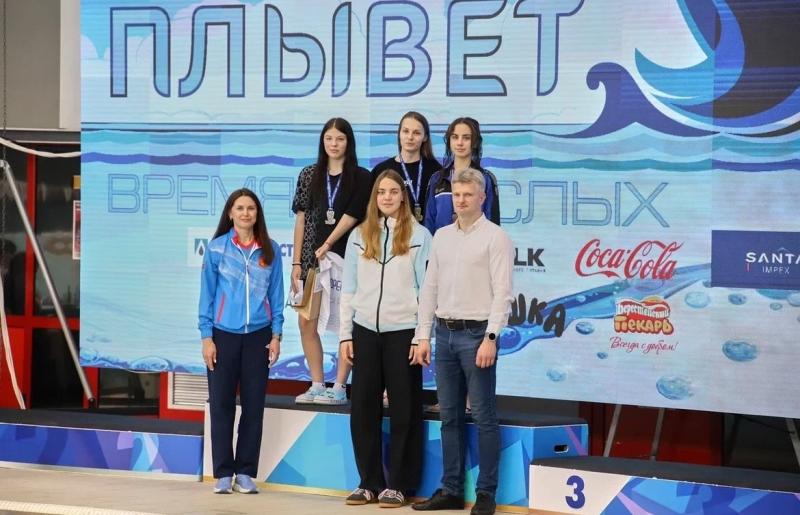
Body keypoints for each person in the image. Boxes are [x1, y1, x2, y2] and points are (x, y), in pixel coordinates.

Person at [411, 169, 513, 515]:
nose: (461, 200)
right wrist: (422, 335)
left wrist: (491, 337)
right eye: (456, 195)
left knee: (483, 416)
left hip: (477, 335)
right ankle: (451, 490)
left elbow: (503, 293)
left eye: (468, 194)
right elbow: (430, 289)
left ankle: (486, 493)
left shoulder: (496, 238)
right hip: (444, 334)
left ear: (482, 198)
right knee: (450, 417)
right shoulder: (440, 237)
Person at [339, 170, 432, 508]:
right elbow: (348, 289)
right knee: (363, 409)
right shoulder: (359, 235)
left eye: (393, 191)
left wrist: (422, 336)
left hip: (403, 332)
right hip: (364, 330)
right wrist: (345, 335)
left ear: (403, 196)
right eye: (381, 192)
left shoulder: (421, 236)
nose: (387, 197)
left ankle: (400, 485)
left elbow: (427, 291)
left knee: (405, 409)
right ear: (374, 197)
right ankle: (369, 482)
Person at [199, 188, 284, 494]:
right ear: (230, 213)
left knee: (253, 407)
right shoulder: (216, 249)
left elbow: (277, 295)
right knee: (221, 405)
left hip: (259, 336)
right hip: (223, 336)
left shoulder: (270, 250)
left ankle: (245, 472)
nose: (246, 213)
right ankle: (223, 473)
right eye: (240, 208)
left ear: (257, 214)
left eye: (251, 208)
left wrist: (276, 335)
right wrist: (206, 337)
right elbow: (207, 296)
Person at [291, 118, 372, 405]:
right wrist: (297, 263)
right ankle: (316, 383)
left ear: (349, 142)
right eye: (329, 138)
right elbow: (301, 219)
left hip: (347, 261)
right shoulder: (308, 174)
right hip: (312, 261)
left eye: (340, 138)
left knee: (345, 325)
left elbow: (352, 216)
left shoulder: (362, 176)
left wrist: (328, 243)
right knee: (306, 323)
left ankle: (338, 386)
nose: (334, 144)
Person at [424, 117, 500, 235]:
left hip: (476, 244)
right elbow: (429, 222)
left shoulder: (486, 179)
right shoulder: (437, 179)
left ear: (475, 142)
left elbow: (492, 222)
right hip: (443, 244)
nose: (459, 143)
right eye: (455, 137)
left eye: (466, 138)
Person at [371, 111, 441, 222]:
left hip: (425, 231)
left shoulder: (436, 170)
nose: (410, 137)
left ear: (425, 137)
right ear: (399, 134)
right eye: (405, 131)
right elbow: (372, 209)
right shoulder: (381, 170)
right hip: (389, 231)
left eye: (416, 133)